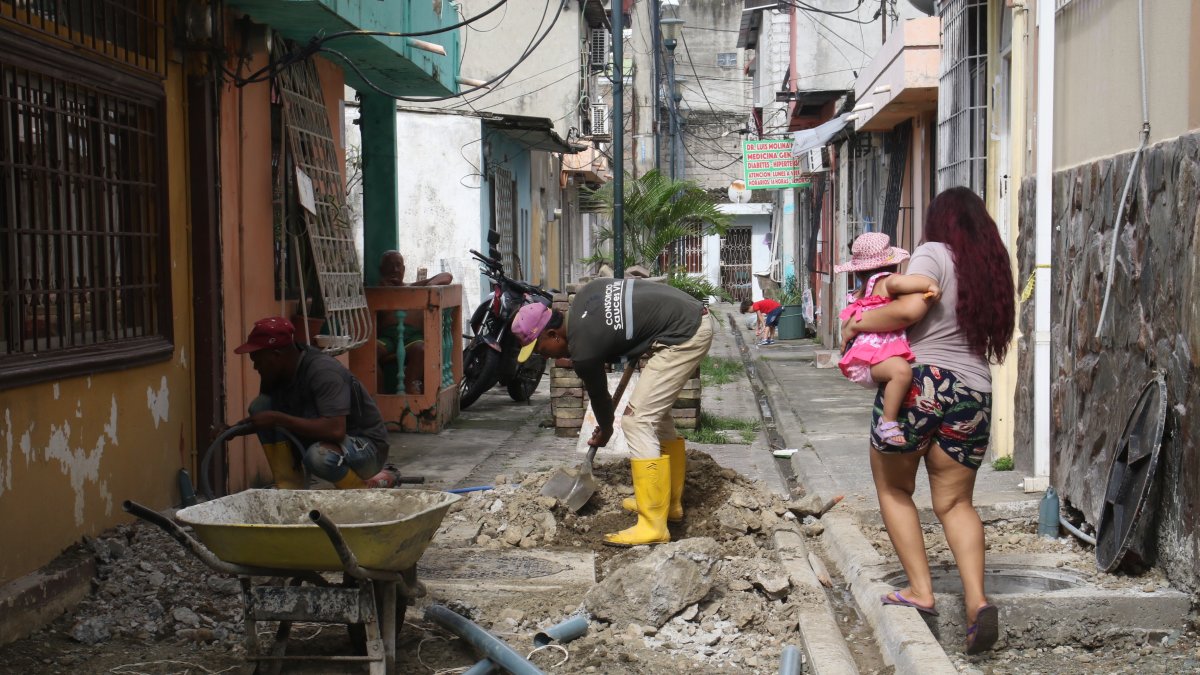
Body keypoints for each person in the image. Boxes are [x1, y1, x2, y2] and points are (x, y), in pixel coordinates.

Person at [842, 188, 1015, 655]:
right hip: (974, 393)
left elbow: (911, 307)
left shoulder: (933, 253)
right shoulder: (991, 268)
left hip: (923, 383)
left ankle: (922, 591)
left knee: (895, 490)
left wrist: (858, 325)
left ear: (940, 222)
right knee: (957, 504)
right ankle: (978, 602)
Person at [511, 278, 713, 547]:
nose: (543, 356)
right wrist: (633, 339)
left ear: (553, 335)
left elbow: (600, 397)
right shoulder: (584, 299)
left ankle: (653, 524)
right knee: (654, 414)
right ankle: (670, 504)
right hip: (685, 319)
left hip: (685, 334)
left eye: (538, 348)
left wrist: (605, 430)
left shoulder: (583, 349)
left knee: (637, 421)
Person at [235, 317, 400, 489]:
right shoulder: (276, 373)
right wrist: (235, 430)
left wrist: (277, 419)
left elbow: (335, 431)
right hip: (322, 442)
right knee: (260, 407)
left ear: (276, 356)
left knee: (319, 457)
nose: (255, 367)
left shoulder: (324, 371)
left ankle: (362, 491)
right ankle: (290, 487)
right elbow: (266, 417)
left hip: (366, 449)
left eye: (258, 361)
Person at [835, 233, 941, 446]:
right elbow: (908, 283)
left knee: (900, 371)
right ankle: (889, 422)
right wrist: (931, 284)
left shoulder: (867, 288)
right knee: (901, 372)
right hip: (867, 363)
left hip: (864, 361)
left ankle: (888, 420)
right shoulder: (887, 281)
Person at [375, 251, 453, 395]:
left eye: (398, 266)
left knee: (421, 349)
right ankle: (378, 393)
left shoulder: (413, 287)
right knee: (371, 351)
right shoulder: (377, 292)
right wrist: (385, 290)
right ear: (381, 270)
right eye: (390, 266)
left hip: (412, 338)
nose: (395, 270)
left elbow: (447, 276)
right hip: (388, 338)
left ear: (404, 269)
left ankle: (410, 385)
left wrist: (428, 286)